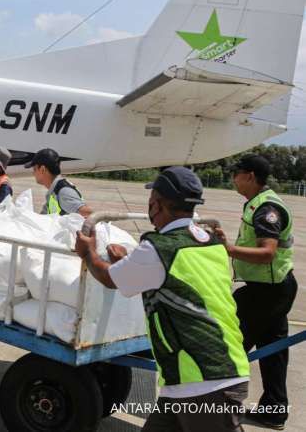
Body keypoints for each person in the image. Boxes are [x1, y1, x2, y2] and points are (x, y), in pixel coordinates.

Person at [75, 166, 250, 432]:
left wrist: (88, 253)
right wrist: (128, 262)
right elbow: (177, 281)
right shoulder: (212, 242)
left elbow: (110, 278)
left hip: (205, 381)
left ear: (156, 204)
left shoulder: (159, 247)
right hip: (192, 378)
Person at [214, 155, 297, 430]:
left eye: (236, 173)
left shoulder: (266, 208)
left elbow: (267, 252)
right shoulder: (260, 203)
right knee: (273, 352)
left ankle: (218, 410)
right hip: (274, 288)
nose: (233, 178)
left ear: (250, 176)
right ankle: (274, 412)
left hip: (267, 292)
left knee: (230, 346)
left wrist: (229, 249)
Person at [24, 148, 92, 216]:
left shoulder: (63, 192)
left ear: (42, 169)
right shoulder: (54, 191)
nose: (33, 173)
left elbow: (88, 214)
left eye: (34, 169)